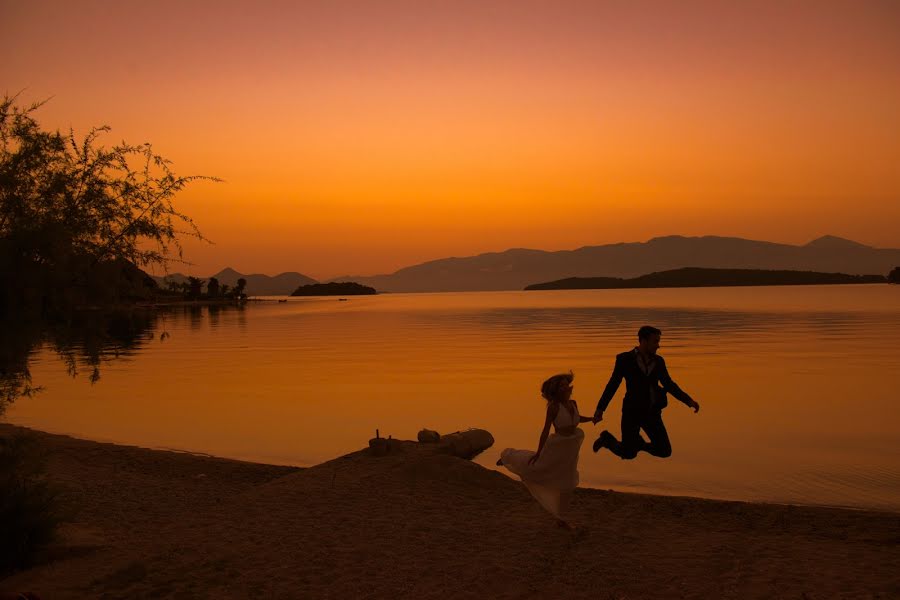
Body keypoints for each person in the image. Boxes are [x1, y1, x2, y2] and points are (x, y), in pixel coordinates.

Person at [497, 371, 592, 529]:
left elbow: (577, 417)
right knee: (538, 467)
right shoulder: (553, 407)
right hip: (557, 445)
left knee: (567, 481)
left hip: (571, 446)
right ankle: (508, 457)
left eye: (565, 385)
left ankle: (560, 519)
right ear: (555, 390)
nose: (565, 388)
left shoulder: (573, 403)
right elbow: (546, 430)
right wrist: (539, 452)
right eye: (561, 386)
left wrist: (591, 419)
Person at [592, 326, 700, 459]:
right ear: (643, 341)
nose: (658, 346)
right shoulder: (624, 359)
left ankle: (638, 444)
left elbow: (669, 384)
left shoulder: (659, 361)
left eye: (658, 341)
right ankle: (607, 440)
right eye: (655, 341)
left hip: (652, 412)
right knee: (629, 453)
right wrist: (600, 409)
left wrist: (688, 401)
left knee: (664, 451)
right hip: (632, 412)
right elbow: (613, 385)